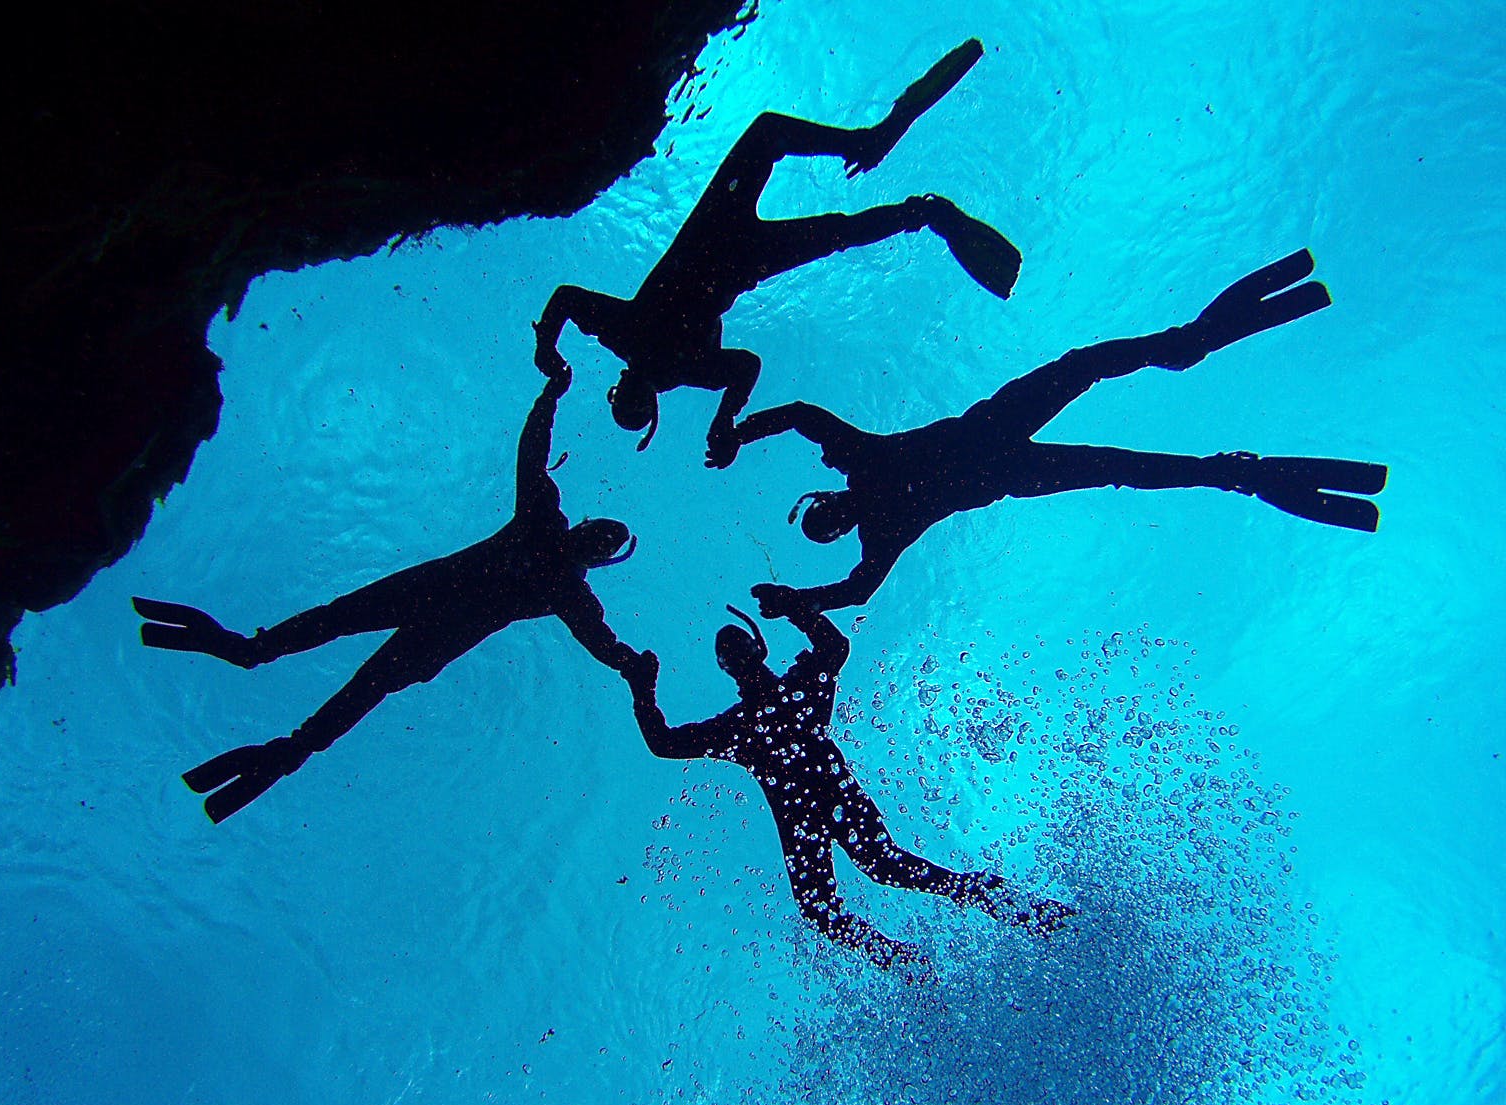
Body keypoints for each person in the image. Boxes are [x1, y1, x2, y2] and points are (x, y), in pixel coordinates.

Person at [726, 248, 1389, 615]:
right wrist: (795, 599)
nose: (836, 516)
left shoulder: (861, 468)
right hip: (1007, 462)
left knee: (1097, 394)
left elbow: (799, 418)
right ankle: (1229, 457)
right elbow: (856, 585)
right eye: (831, 523)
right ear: (836, 519)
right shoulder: (873, 503)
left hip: (1000, 443)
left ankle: (1201, 381)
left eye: (825, 515)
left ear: (824, 504)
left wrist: (739, 427)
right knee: (1115, 443)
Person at [134, 367, 643, 822]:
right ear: (587, 528)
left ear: (597, 555)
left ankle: (280, 729)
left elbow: (601, 640)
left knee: (361, 675)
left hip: (433, 613)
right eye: (601, 530)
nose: (594, 537)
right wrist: (548, 399)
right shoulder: (549, 540)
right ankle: (254, 672)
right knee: (343, 643)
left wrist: (629, 665)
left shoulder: (563, 572)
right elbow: (532, 454)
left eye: (603, 539)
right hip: (431, 607)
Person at [533, 35, 1021, 465]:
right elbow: (745, 367)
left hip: (714, 233)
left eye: (622, 403)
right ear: (652, 407)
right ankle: (920, 209)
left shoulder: (630, 338)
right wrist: (724, 421)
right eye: (638, 409)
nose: (633, 398)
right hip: (736, 255)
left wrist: (547, 348)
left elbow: (566, 300)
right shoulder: (669, 361)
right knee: (832, 222)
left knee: (782, 153)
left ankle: (880, 158)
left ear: (615, 390)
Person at [619, 592, 1072, 973]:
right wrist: (795, 608)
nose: (736, 660)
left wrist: (642, 689)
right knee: (853, 887)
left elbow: (664, 742)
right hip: (821, 803)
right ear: (741, 660)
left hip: (811, 807)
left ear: (745, 656)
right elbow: (834, 648)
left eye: (735, 651)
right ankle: (917, 957)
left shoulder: (754, 717)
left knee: (867, 879)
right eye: (731, 654)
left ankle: (938, 945)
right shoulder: (784, 698)